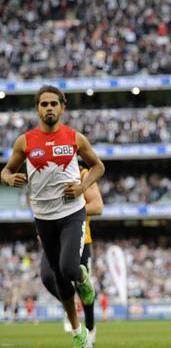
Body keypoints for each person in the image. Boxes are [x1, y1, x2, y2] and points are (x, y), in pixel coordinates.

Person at [1, 85, 105, 348]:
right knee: (55, 278)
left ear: (62, 107)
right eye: (44, 104)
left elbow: (98, 166)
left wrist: (82, 187)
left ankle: (84, 281)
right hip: (43, 219)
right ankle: (77, 332)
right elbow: (5, 171)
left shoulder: (74, 138)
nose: (49, 108)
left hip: (71, 214)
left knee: (70, 268)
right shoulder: (24, 141)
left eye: (53, 104)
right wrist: (9, 178)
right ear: (37, 109)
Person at [40, 163, 103, 347]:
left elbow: (98, 206)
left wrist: (69, 210)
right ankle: (72, 307)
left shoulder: (83, 174)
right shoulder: (47, 177)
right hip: (54, 236)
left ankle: (90, 330)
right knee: (46, 276)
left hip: (82, 239)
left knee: (84, 287)